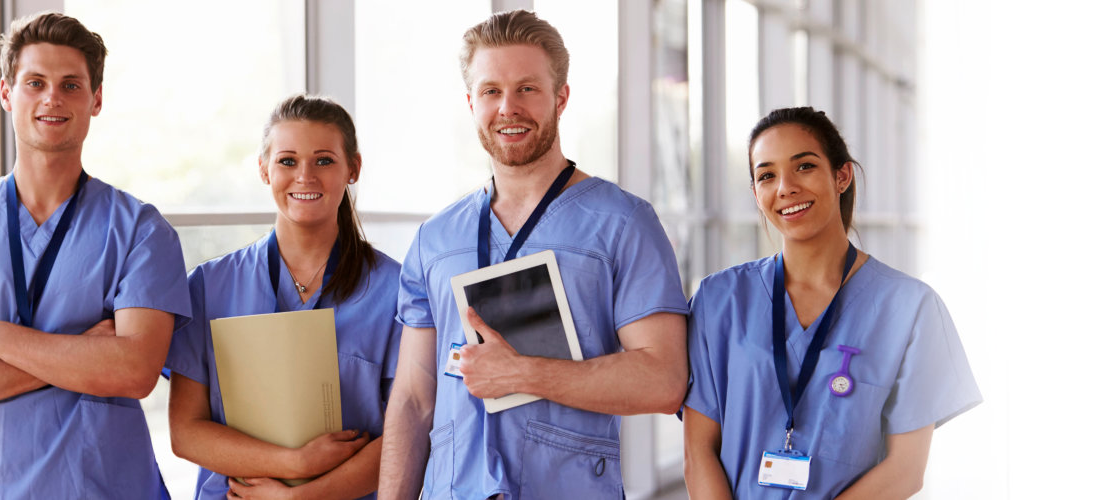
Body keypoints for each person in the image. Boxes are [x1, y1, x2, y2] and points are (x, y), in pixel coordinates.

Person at [377, 10, 691, 499]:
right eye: (490, 91)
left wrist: (523, 372)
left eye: (527, 88)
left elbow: (665, 379)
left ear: (560, 97)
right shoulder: (436, 239)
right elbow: (415, 401)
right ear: (470, 102)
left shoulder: (624, 224)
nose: (508, 107)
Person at [0, 12, 191, 499]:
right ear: (6, 93)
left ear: (96, 100)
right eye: (35, 82)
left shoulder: (140, 231)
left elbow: (133, 372)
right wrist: (85, 355)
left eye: (71, 85)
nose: (53, 97)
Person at [682, 107, 981, 499]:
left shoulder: (910, 309)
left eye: (804, 166)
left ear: (841, 176)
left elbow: (906, 470)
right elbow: (698, 450)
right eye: (767, 175)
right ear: (757, 194)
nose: (785, 187)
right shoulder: (718, 300)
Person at [165, 95, 401, 500]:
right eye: (287, 161)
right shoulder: (209, 286)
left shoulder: (396, 290)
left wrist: (298, 497)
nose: (304, 176)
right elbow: (186, 432)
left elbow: (407, 434)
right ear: (264, 169)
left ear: (353, 169)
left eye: (324, 160)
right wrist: (296, 463)